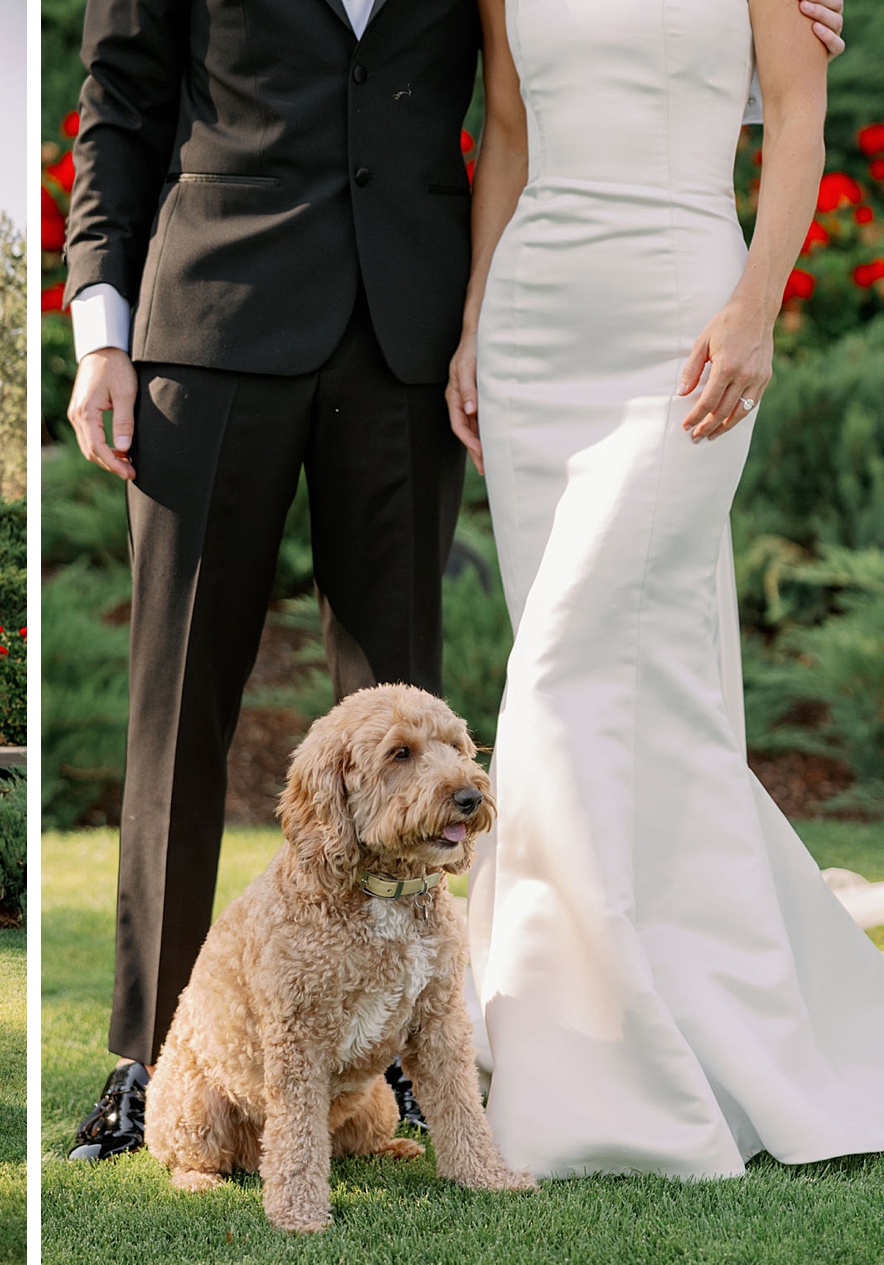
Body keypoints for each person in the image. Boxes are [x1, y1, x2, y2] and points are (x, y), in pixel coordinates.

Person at [58, 0, 847, 1161]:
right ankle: (149, 1062)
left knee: (409, 720)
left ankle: (412, 1057)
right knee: (178, 711)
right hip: (212, 321)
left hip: (407, 334)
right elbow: (117, 102)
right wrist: (99, 332)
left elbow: (609, 77)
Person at [450, 0, 884, 1178]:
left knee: (559, 673)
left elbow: (798, 118)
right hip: (538, 324)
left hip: (682, 319)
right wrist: (477, 316)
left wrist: (755, 305)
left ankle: (596, 1064)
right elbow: (504, 124)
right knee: (641, 690)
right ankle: (677, 1008)